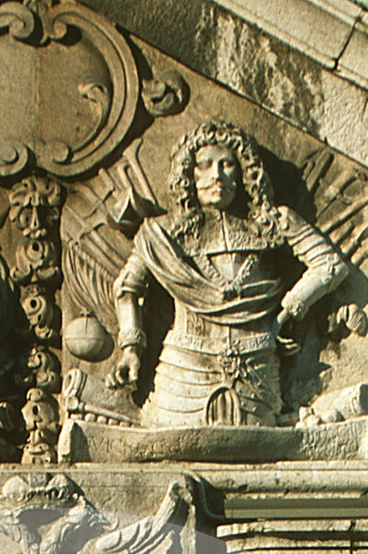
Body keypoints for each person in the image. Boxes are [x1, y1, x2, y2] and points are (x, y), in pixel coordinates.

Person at [113, 122, 350, 430]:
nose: (217, 175)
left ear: (243, 172)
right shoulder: (162, 232)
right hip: (184, 373)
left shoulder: (272, 222)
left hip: (257, 372)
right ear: (189, 174)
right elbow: (127, 287)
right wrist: (131, 349)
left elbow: (330, 265)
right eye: (205, 165)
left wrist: (290, 309)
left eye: (227, 165)